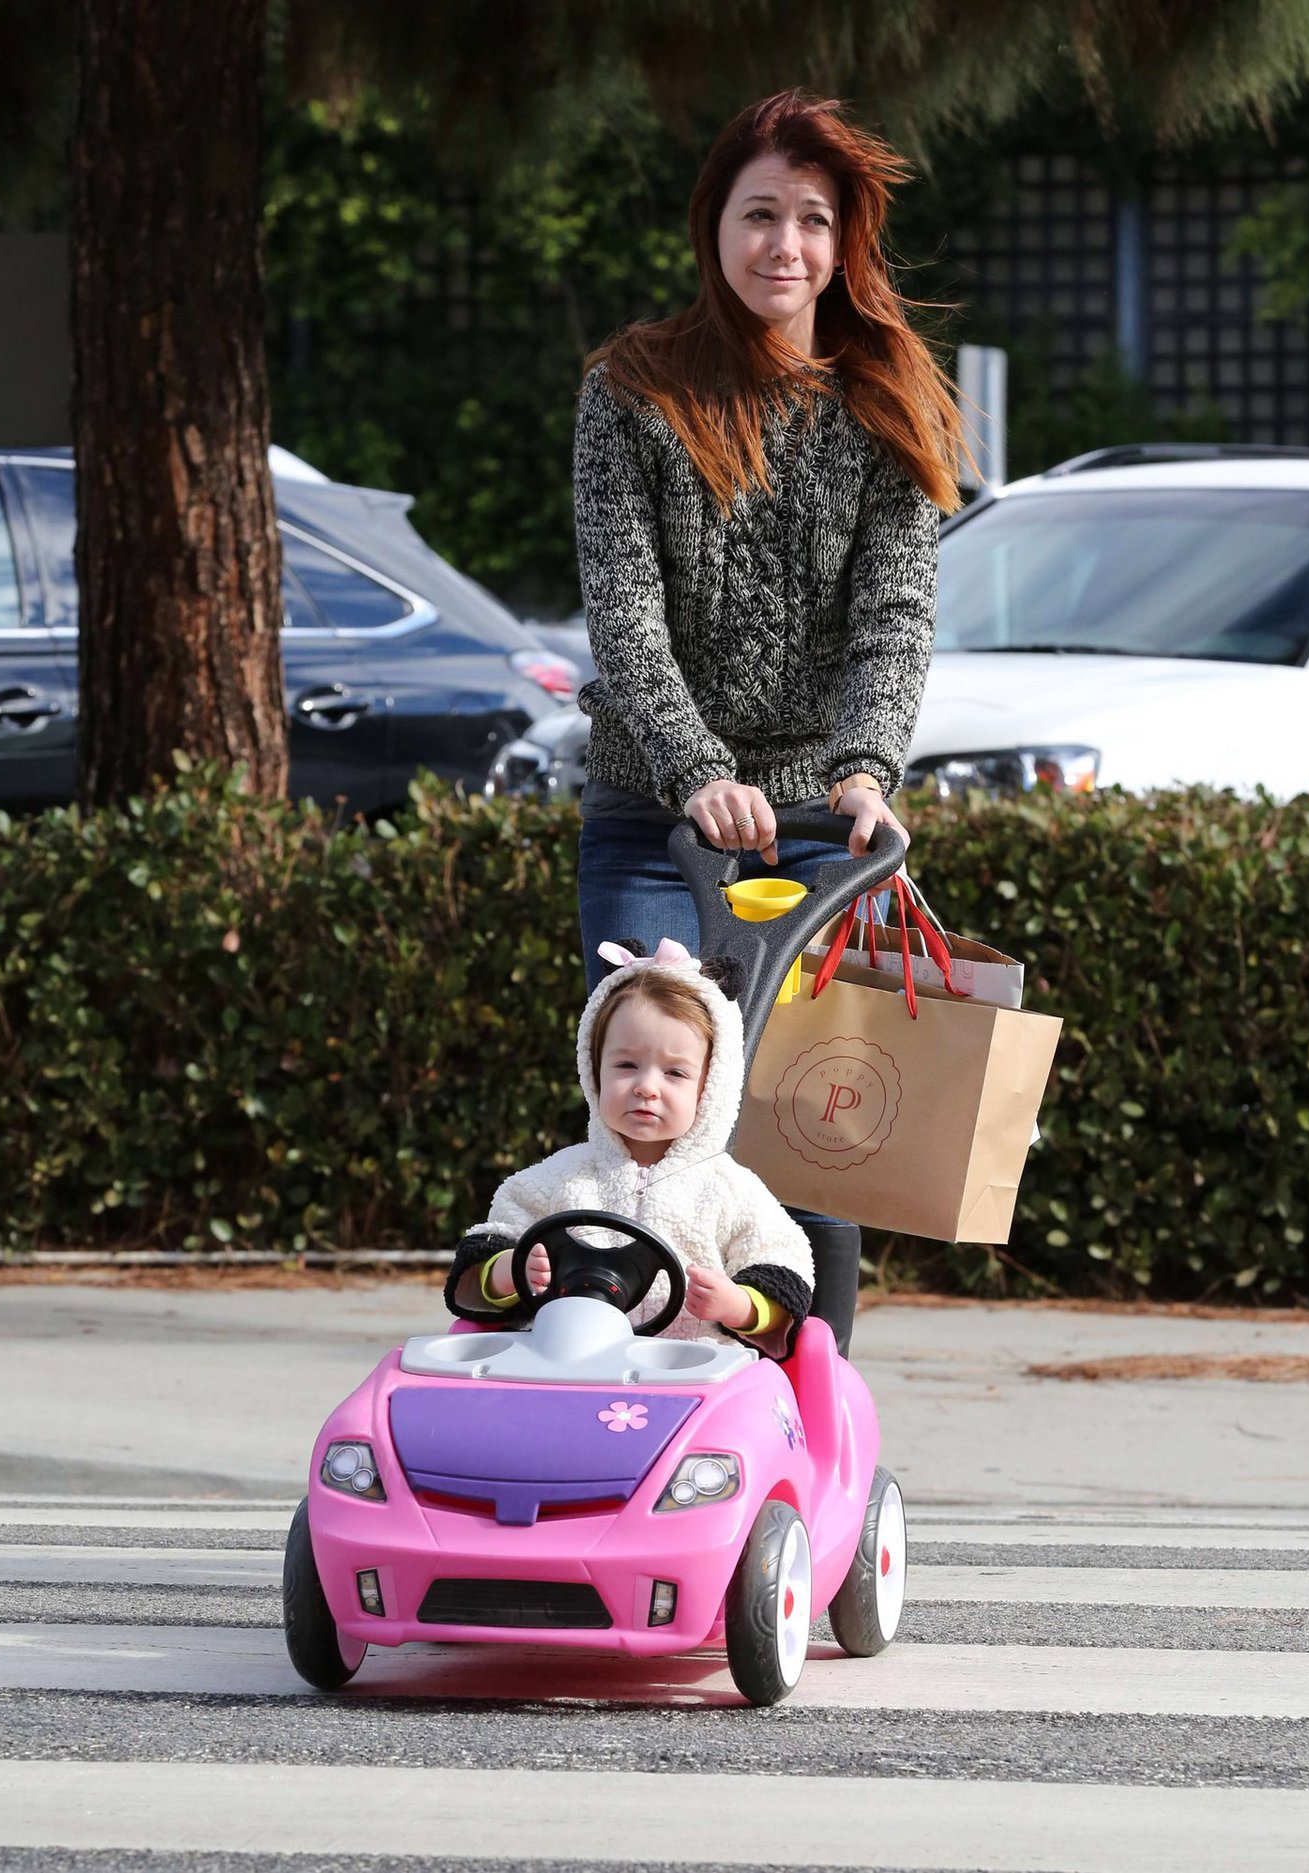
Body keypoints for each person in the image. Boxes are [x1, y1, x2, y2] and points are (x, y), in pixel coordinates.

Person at [571, 89, 963, 1354]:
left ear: (843, 244)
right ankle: (621, 1388)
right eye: (758, 215)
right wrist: (694, 769)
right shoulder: (632, 388)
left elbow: (893, 615)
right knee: (649, 1106)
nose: (782, 245)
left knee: (809, 1134)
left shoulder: (887, 397)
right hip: (656, 818)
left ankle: (808, 1395)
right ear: (714, 227)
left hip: (813, 829)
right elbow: (623, 609)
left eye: (811, 220)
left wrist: (866, 769)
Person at [446, 939, 814, 1360]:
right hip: (564, 1365)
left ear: (712, 1085)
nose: (646, 1087)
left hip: (690, 1370)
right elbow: (484, 1252)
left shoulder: (732, 1190)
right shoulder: (559, 1178)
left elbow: (783, 1263)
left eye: (674, 1073)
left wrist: (740, 1306)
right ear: (594, 1069)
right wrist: (509, 1271)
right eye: (626, 1065)